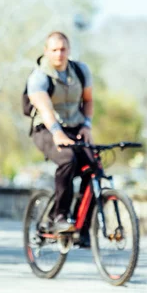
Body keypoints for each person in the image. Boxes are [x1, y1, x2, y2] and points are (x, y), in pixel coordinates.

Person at [27, 31, 95, 238]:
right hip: (46, 128)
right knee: (68, 160)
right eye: (54, 49)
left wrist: (86, 125)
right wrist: (57, 133)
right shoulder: (39, 77)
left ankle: (83, 229)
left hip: (75, 127)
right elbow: (45, 109)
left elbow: (88, 100)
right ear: (46, 51)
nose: (59, 54)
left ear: (69, 50)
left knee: (94, 168)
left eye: (63, 49)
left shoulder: (80, 71)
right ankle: (59, 216)